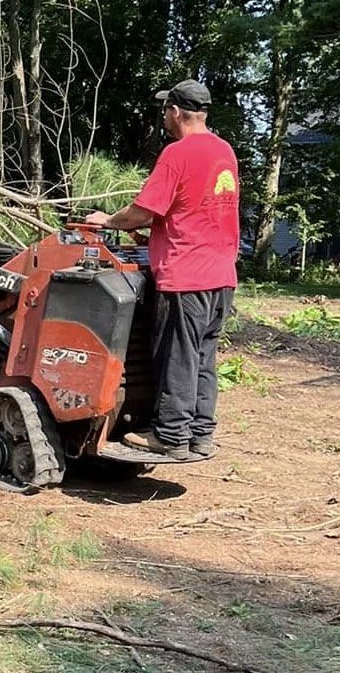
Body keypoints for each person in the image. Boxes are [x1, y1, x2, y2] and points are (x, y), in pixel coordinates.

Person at [84, 79, 240, 460]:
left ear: (175, 112)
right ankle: (199, 433)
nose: (163, 117)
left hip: (186, 275)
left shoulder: (178, 153)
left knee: (177, 355)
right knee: (202, 357)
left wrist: (108, 220)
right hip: (221, 275)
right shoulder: (225, 152)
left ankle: (170, 436)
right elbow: (196, 209)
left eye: (165, 110)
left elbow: (143, 210)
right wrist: (154, 234)